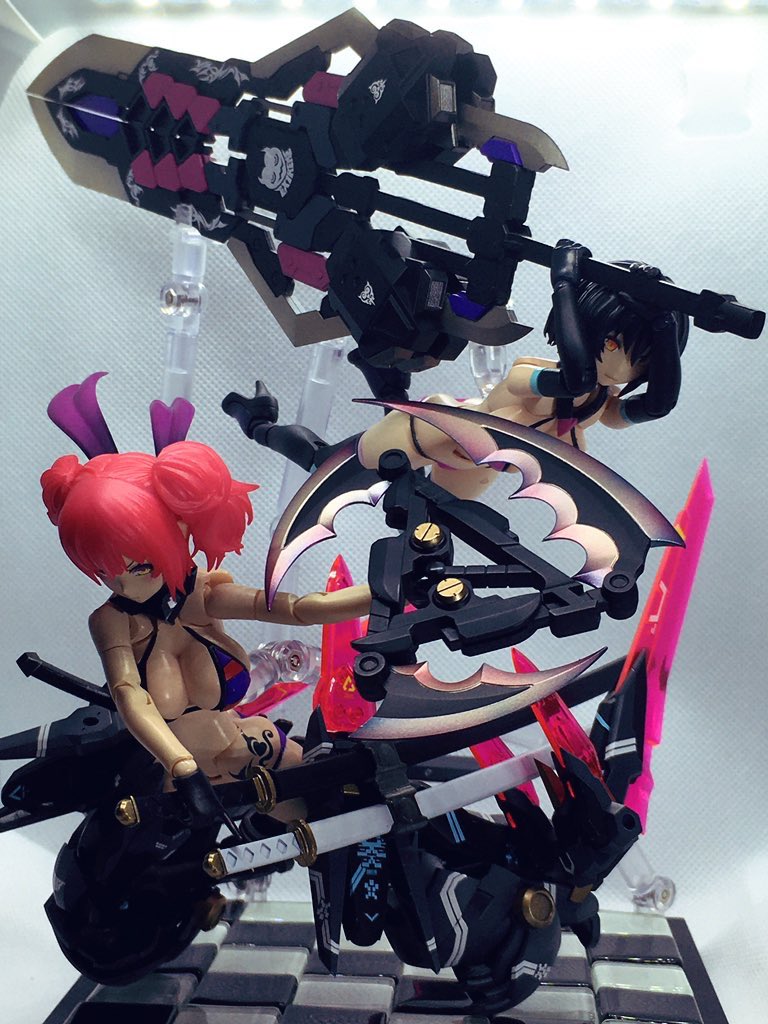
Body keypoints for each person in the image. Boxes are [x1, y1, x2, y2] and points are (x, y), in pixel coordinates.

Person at [41, 374, 370, 823]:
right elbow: (129, 696)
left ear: (178, 534)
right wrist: (182, 767)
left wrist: (381, 593)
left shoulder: (197, 595)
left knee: (341, 814)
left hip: (247, 749)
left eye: (138, 567)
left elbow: (295, 608)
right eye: (103, 571)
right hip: (174, 788)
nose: (122, 586)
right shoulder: (113, 621)